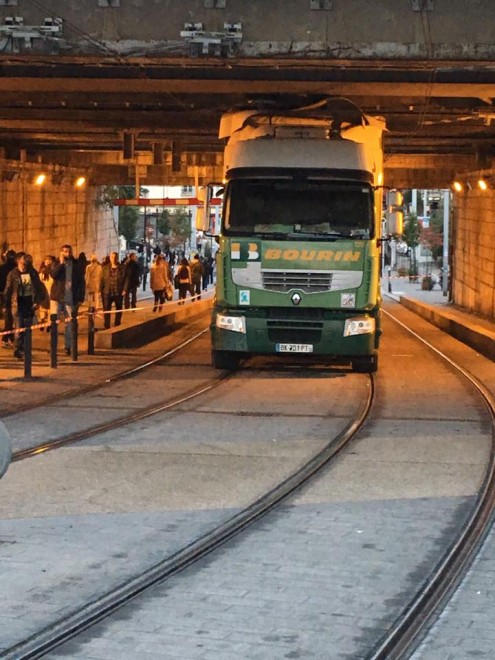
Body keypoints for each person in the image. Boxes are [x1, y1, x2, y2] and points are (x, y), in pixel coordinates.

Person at [4, 253, 46, 359]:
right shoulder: (13, 274)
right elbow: (8, 290)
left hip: (29, 304)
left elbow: (40, 288)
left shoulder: (32, 273)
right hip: (17, 305)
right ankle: (18, 349)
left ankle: (26, 350)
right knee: (19, 328)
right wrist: (6, 304)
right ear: (18, 261)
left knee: (28, 329)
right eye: (23, 258)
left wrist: (37, 301)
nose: (26, 260)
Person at [50, 244, 86, 355]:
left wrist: (80, 298)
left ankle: (68, 347)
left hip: (70, 298)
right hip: (57, 297)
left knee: (70, 324)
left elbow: (81, 282)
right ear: (61, 252)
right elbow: (53, 275)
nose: (67, 254)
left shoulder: (76, 265)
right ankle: (53, 347)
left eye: (69, 251)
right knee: (53, 323)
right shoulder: (57, 264)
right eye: (65, 251)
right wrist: (61, 264)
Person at [101, 251, 125, 328]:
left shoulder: (122, 268)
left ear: (117, 258)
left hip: (118, 292)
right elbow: (102, 279)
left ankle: (117, 324)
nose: (113, 259)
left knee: (119, 308)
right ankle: (107, 325)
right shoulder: (105, 268)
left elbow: (126, 279)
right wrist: (100, 290)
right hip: (108, 292)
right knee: (107, 309)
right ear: (110, 258)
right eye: (112, 257)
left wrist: (125, 289)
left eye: (115, 257)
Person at [0, 249, 17, 348]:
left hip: (5, 295)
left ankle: (9, 338)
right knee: (11, 319)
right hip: (12, 295)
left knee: (9, 318)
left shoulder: (2, 267)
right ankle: (7, 338)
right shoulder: (15, 269)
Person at [38, 255, 55, 330]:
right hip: (44, 293)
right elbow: (39, 282)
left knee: (50, 310)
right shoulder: (41, 272)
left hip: (52, 292)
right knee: (42, 309)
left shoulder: (54, 271)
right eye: (46, 260)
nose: (48, 261)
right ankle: (42, 322)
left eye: (49, 260)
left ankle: (49, 324)